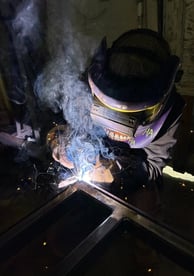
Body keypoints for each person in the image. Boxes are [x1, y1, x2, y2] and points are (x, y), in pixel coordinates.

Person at [50, 28, 185, 190]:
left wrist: (115, 169)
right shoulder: (89, 85)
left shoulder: (169, 111)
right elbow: (57, 123)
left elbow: (154, 167)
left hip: (130, 186)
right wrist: (56, 140)